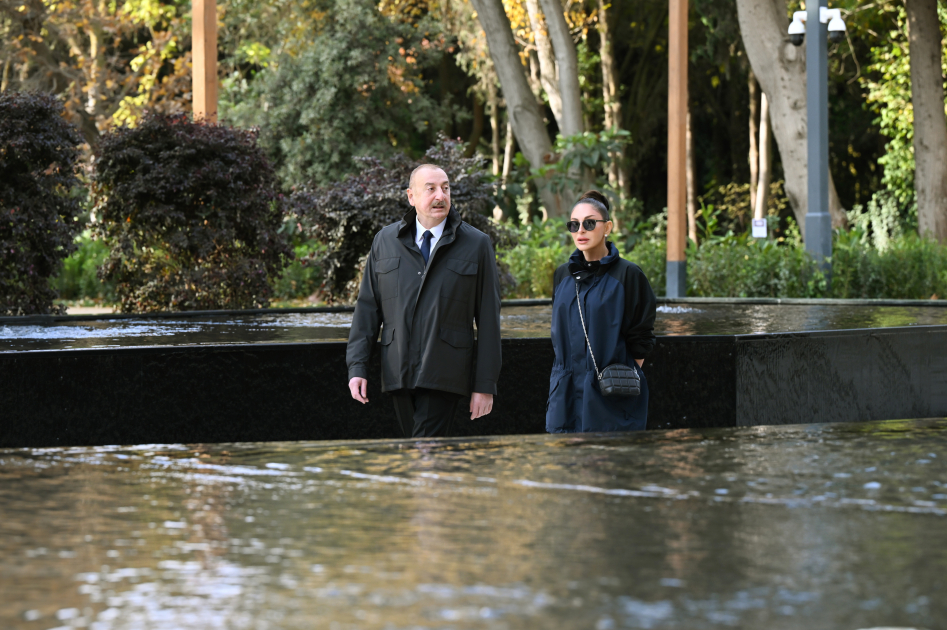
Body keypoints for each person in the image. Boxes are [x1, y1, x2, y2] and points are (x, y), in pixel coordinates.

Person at [346, 164, 502, 438]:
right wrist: (357, 366)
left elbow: (489, 319)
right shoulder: (385, 241)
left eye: (445, 188)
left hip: (445, 371)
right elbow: (367, 309)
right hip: (398, 370)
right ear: (411, 196)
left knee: (424, 452)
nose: (440, 195)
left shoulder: (476, 244)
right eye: (430, 189)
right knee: (422, 457)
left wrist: (485, 384)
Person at [546, 190, 657, 433]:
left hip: (610, 398)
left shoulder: (628, 275)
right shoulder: (563, 275)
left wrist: (617, 376)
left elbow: (641, 337)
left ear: (607, 227)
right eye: (574, 225)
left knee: (606, 467)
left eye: (589, 223)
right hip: (564, 395)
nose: (580, 231)